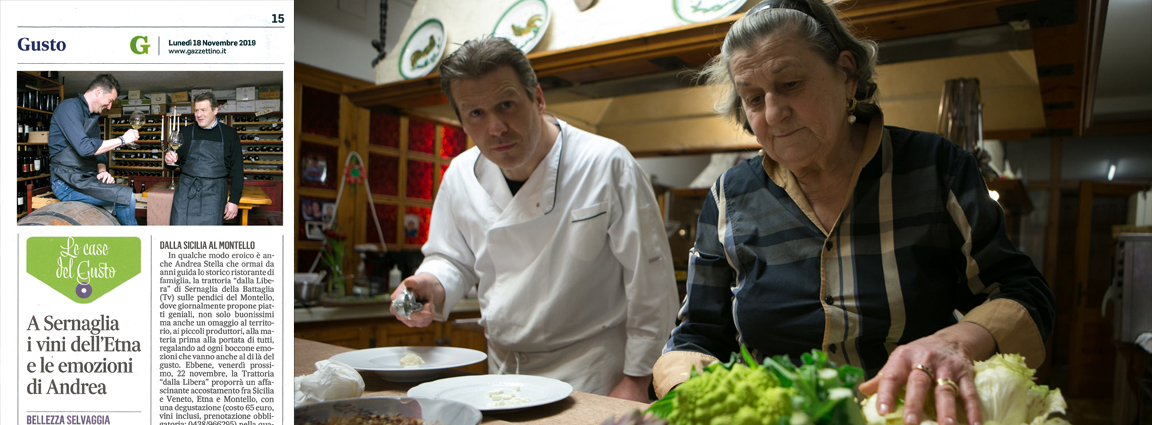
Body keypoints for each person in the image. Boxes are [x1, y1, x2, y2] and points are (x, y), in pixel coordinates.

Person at [651, 1, 1056, 424]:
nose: (772, 113)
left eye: (790, 83)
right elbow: (696, 334)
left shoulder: (936, 167)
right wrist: (695, 391)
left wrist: (957, 342)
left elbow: (1021, 291)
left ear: (847, 73)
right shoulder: (730, 196)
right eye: (753, 98)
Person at [390, 36, 679, 401]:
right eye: (476, 114)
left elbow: (651, 283)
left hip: (595, 375)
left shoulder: (606, 164)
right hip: (502, 373)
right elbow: (451, 258)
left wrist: (638, 379)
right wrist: (430, 283)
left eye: (506, 104)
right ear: (462, 120)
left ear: (538, 99)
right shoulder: (460, 175)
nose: (495, 128)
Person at [48, 74, 140, 225]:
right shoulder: (69, 107)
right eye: (110, 101)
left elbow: (100, 155)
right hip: (65, 183)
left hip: (86, 179)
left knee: (124, 194)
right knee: (125, 198)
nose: (110, 107)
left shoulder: (93, 118)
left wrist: (102, 171)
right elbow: (84, 148)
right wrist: (122, 140)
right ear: (98, 92)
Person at [164, 92, 243, 225]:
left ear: (215, 110)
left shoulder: (229, 134)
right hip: (185, 192)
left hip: (214, 194)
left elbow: (237, 170)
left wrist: (234, 200)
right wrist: (169, 160)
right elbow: (173, 162)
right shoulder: (186, 132)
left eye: (203, 110)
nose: (199, 114)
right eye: (196, 110)